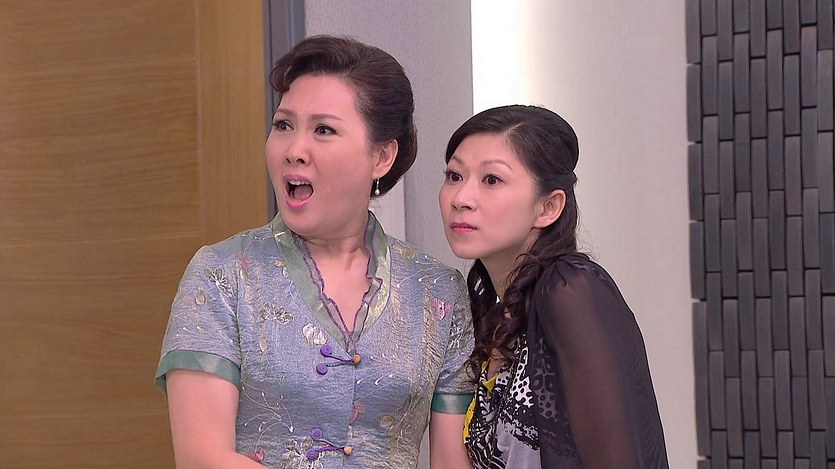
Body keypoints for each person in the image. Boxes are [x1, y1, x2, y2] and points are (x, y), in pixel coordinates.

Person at [155, 35, 474, 469]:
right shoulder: (222, 274)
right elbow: (202, 458)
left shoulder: (439, 292)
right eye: (283, 125)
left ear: (382, 156)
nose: (294, 151)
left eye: (323, 130)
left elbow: (452, 461)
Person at [438, 105, 669, 468]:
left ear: (548, 207)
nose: (461, 198)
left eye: (491, 180)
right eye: (454, 175)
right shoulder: (492, 317)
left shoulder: (569, 289)